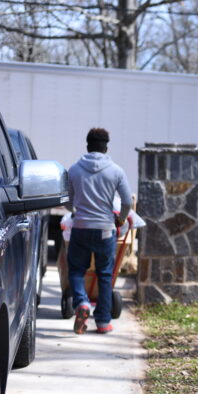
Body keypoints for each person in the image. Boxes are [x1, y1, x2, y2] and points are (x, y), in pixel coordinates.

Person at [67, 128, 132, 335]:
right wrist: (120, 219)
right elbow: (128, 201)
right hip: (105, 229)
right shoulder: (116, 171)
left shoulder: (74, 169)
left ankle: (82, 303)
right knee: (104, 274)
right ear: (106, 147)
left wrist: (76, 211)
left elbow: (67, 201)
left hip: (81, 228)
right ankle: (103, 322)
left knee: (77, 270)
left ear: (87, 145)